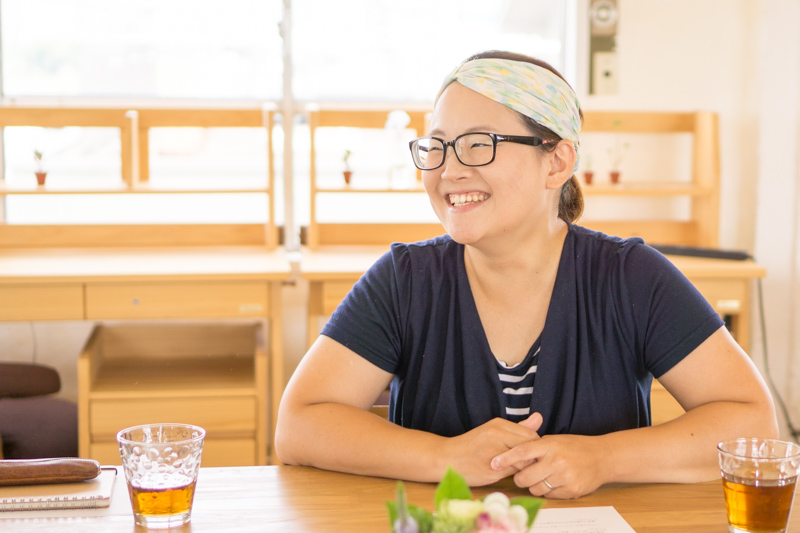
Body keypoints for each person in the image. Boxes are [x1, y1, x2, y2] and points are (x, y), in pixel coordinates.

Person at [275, 51, 778, 499]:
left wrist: (604, 459)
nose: (449, 170)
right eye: (438, 146)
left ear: (556, 162)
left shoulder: (631, 277)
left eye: (478, 144)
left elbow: (752, 424)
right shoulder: (404, 281)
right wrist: (443, 457)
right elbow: (299, 425)